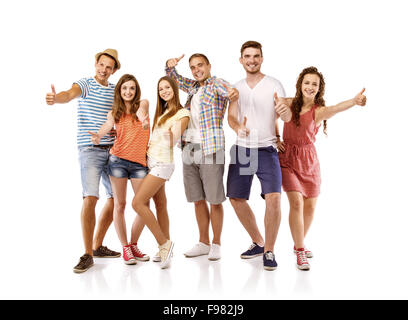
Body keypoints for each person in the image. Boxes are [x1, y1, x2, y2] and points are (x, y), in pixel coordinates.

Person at [277, 66, 367, 270]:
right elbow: (269, 108)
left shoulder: (319, 111)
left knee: (310, 207)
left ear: (319, 89)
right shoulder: (289, 103)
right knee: (297, 204)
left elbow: (337, 107)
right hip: (287, 159)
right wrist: (275, 137)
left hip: (309, 162)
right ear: (300, 84)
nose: (310, 87)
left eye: (314, 84)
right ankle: (300, 251)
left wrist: (354, 101)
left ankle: (297, 243)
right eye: (307, 82)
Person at [45, 49, 123, 273]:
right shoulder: (86, 83)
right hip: (90, 148)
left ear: (114, 70)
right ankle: (87, 254)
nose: (104, 70)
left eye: (109, 67)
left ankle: (97, 245)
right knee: (91, 197)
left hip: (113, 149)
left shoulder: (116, 89)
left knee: (117, 199)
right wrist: (56, 99)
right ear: (96, 63)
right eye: (101, 64)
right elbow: (69, 94)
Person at [165, 53, 238, 261]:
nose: (197, 70)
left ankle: (216, 243)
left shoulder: (216, 84)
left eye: (200, 66)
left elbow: (231, 92)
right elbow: (175, 80)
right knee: (197, 199)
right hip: (189, 147)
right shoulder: (194, 88)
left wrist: (233, 94)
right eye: (193, 67)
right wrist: (169, 67)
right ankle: (203, 242)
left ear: (208, 65)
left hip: (211, 147)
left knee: (214, 199)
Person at [227, 41, 292, 271]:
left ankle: (270, 251)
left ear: (262, 58)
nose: (252, 60)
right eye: (247, 56)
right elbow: (232, 117)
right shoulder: (236, 87)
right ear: (241, 60)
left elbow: (283, 115)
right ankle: (258, 241)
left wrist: (284, 114)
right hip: (244, 148)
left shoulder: (274, 84)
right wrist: (237, 128)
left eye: (256, 56)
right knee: (236, 198)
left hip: (266, 149)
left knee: (274, 197)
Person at [89, 74, 150, 265]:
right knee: (120, 205)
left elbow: (142, 112)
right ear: (120, 91)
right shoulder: (114, 112)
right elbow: (107, 126)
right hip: (117, 162)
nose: (128, 92)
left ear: (136, 90)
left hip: (140, 163)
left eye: (131, 88)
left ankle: (133, 245)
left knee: (143, 206)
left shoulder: (143, 103)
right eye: (124, 88)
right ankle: (125, 248)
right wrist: (98, 136)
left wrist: (144, 120)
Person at [132, 76, 190, 269]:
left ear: (174, 88)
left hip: (162, 164)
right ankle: (165, 249)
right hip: (151, 162)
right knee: (160, 205)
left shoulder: (182, 113)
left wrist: (170, 136)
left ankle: (164, 244)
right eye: (161, 89)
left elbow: (173, 139)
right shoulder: (161, 111)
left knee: (138, 203)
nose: (164, 91)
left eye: (167, 87)